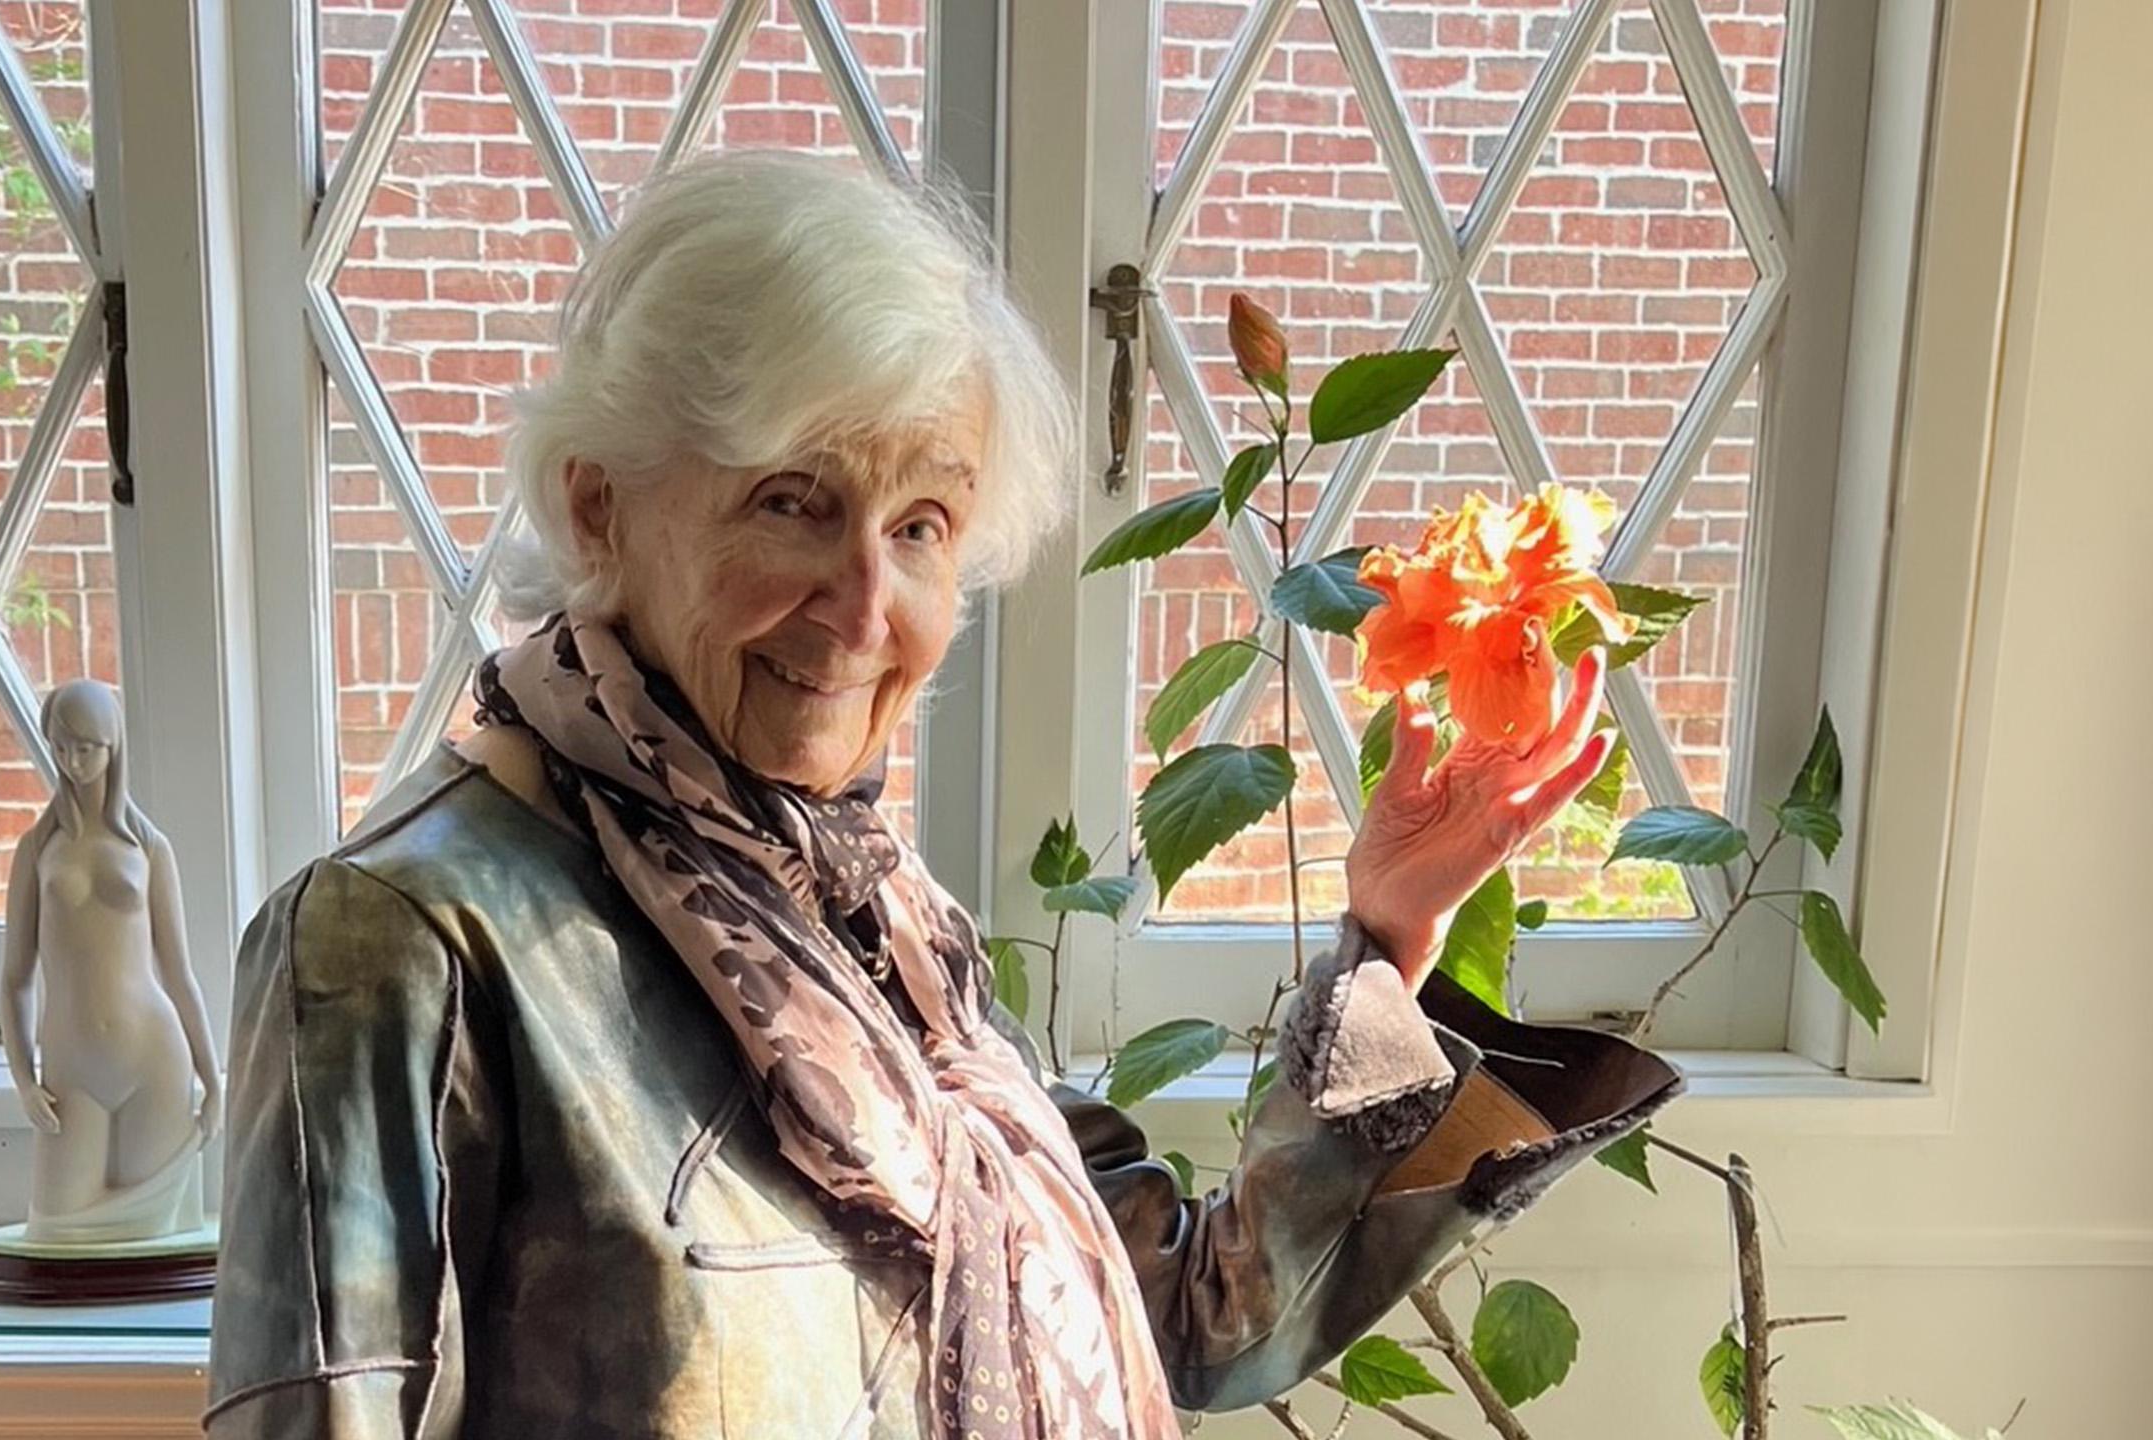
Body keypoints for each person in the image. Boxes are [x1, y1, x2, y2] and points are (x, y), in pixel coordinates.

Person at [203, 151, 1679, 1439]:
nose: (863, 610)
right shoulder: (401, 948)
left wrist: (1387, 940)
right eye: (792, 500)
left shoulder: (877, 925)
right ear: (599, 503)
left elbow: (1197, 1321)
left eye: (921, 524)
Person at [0, 678, 222, 1244]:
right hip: (72, 1069)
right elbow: (16, 980)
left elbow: (178, 972)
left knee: (157, 1239)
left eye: (87, 747)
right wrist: (24, 1079)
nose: (73, 762)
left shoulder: (149, 848)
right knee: (59, 1230)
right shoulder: (36, 849)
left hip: (153, 1058)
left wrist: (212, 1078)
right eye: (61, 747)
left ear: (114, 746)